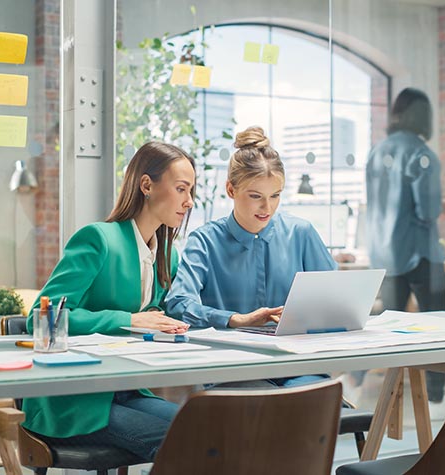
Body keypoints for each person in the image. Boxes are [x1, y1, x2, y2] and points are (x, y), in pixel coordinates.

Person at [21, 142, 193, 461]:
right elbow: (38, 320)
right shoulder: (98, 239)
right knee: (180, 444)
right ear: (146, 185)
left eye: (191, 191)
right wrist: (129, 320)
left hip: (125, 389)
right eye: (181, 188)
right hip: (74, 399)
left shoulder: (167, 257)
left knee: (204, 429)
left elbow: (156, 320)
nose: (189, 201)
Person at [166, 126, 335, 387]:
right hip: (232, 369)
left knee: (316, 403)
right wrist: (234, 319)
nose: (267, 208)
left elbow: (336, 300)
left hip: (297, 365)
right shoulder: (205, 240)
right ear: (231, 190)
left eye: (275, 196)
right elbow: (177, 304)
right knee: (267, 412)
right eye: (256, 196)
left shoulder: (301, 233)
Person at [366, 88, 445, 407]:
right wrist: (441, 205)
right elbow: (427, 210)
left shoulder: (377, 151)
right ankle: (435, 399)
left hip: (384, 255)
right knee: (438, 330)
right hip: (420, 254)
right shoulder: (421, 153)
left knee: (390, 334)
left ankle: (392, 399)